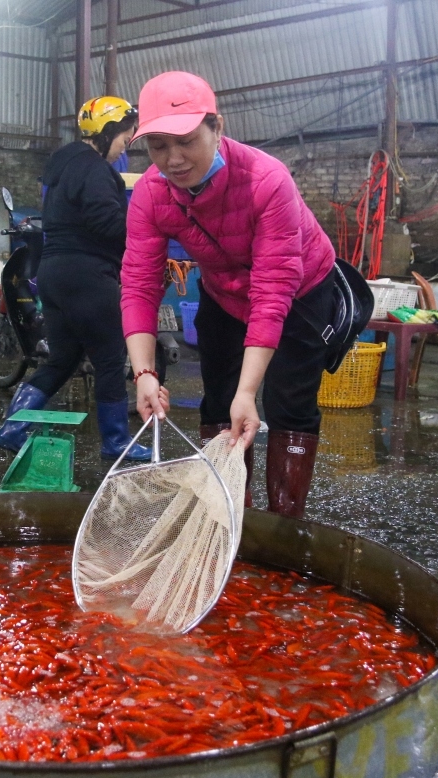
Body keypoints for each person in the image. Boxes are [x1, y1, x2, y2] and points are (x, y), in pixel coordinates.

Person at [120, 72, 338, 518]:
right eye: (158, 145)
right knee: (219, 401)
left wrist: (250, 390)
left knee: (288, 404)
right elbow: (140, 282)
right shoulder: (150, 193)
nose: (174, 159)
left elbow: (274, 289)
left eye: (185, 140)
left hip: (300, 292)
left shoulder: (266, 180)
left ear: (216, 127)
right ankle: (230, 512)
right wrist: (143, 372)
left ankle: (283, 521)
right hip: (223, 290)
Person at [0, 96, 151, 461]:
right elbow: (104, 222)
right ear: (108, 131)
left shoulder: (62, 164)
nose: (125, 146)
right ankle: (116, 442)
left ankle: (13, 427)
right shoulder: (95, 169)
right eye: (125, 137)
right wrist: (146, 230)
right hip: (88, 277)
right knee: (111, 359)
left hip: (52, 272)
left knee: (61, 359)